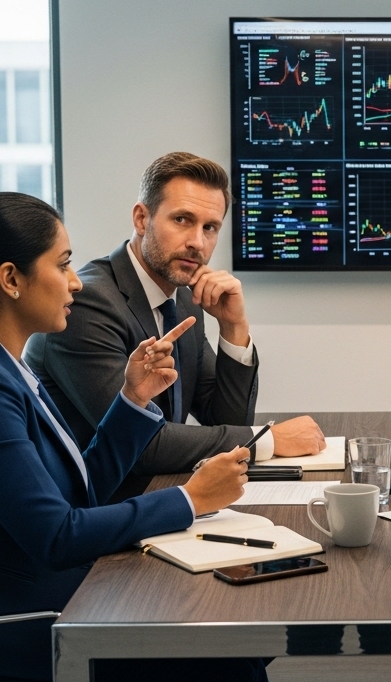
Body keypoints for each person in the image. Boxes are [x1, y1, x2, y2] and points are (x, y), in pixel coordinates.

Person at [0, 192, 263, 681]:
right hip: (1, 633)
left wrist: (133, 401)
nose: (76, 282)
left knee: (238, 646)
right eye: (63, 265)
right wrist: (189, 499)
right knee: (232, 663)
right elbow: (56, 536)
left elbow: (78, 492)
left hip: (38, 598)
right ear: (11, 279)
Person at [25, 152, 325, 493]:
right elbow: (141, 443)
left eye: (210, 227)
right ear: (141, 219)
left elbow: (225, 421)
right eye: (182, 220)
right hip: (98, 515)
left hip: (160, 494)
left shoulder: (182, 296)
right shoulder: (87, 303)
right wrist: (268, 440)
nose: (198, 242)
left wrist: (234, 329)